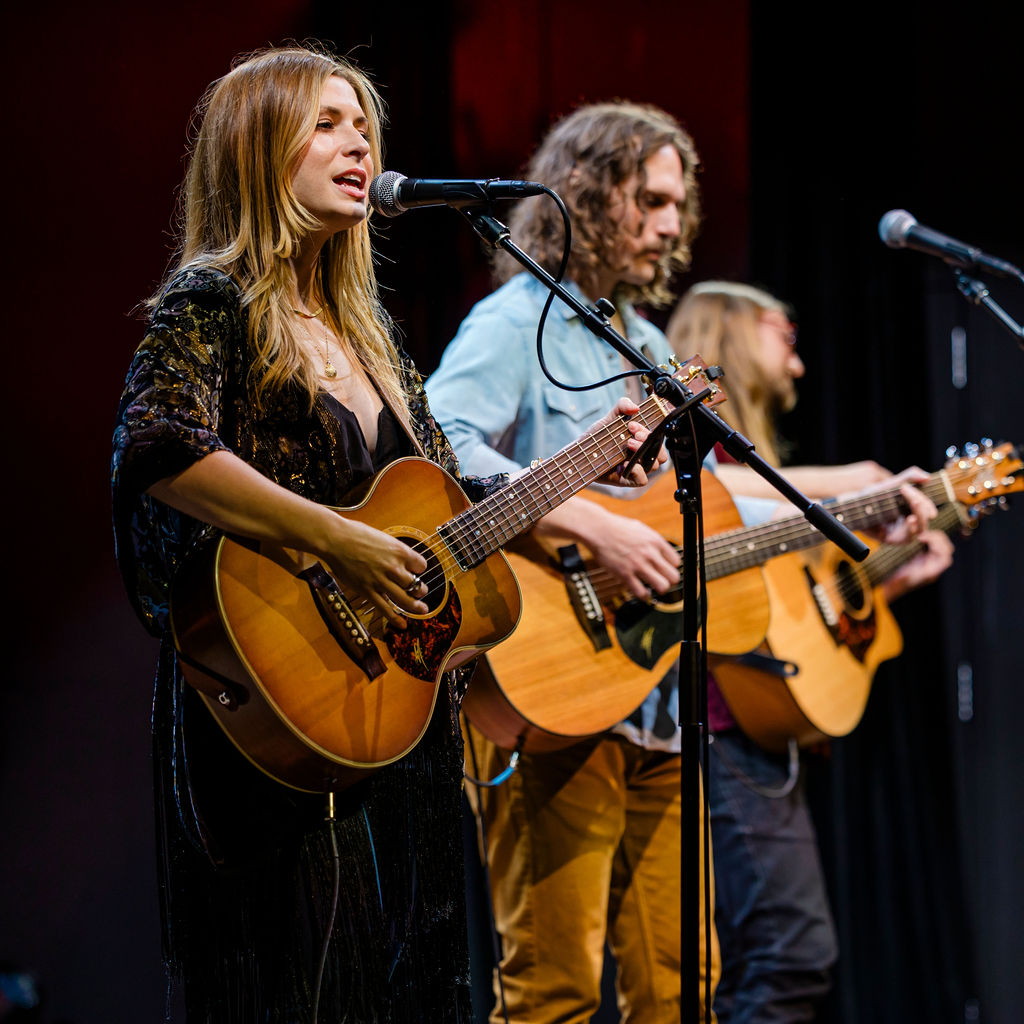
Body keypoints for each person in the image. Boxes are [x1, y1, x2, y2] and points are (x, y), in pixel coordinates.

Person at [110, 45, 663, 1023]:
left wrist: (580, 469)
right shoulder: (214, 302)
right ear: (257, 148)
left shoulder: (372, 336)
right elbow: (160, 449)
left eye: (363, 123)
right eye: (325, 122)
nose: (357, 140)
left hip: (387, 717)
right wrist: (339, 542)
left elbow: (447, 510)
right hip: (279, 696)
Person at [425, 100, 719, 1024]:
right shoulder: (516, 321)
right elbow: (437, 443)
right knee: (552, 995)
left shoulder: (649, 343)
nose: (673, 225)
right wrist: (594, 527)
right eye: (652, 200)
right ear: (591, 195)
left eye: (680, 205)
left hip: (657, 703)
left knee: (682, 989)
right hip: (547, 690)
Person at [665, 280, 954, 1023]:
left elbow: (797, 605)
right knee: (787, 957)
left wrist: (884, 585)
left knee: (770, 960)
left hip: (765, 724)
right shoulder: (693, 452)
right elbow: (706, 503)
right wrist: (859, 484)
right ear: (731, 332)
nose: (798, 363)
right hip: (717, 724)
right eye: (784, 335)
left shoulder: (768, 467)